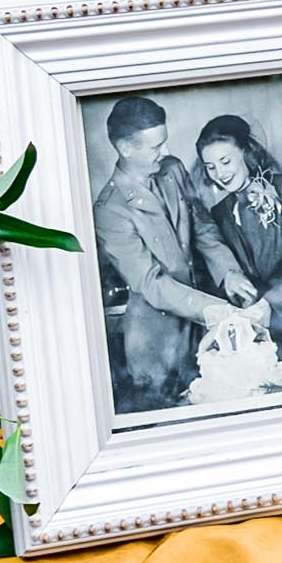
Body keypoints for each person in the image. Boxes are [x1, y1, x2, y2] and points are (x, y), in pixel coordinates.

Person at [95, 96, 265, 414]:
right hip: (156, 346)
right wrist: (216, 310)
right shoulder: (110, 210)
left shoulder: (171, 170)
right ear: (125, 149)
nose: (168, 153)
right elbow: (150, 282)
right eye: (156, 147)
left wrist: (228, 271)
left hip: (201, 329)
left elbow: (202, 227)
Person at [193, 113, 282, 388]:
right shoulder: (219, 212)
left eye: (225, 161)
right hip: (260, 335)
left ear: (246, 152)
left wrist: (271, 303)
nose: (220, 173)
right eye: (210, 166)